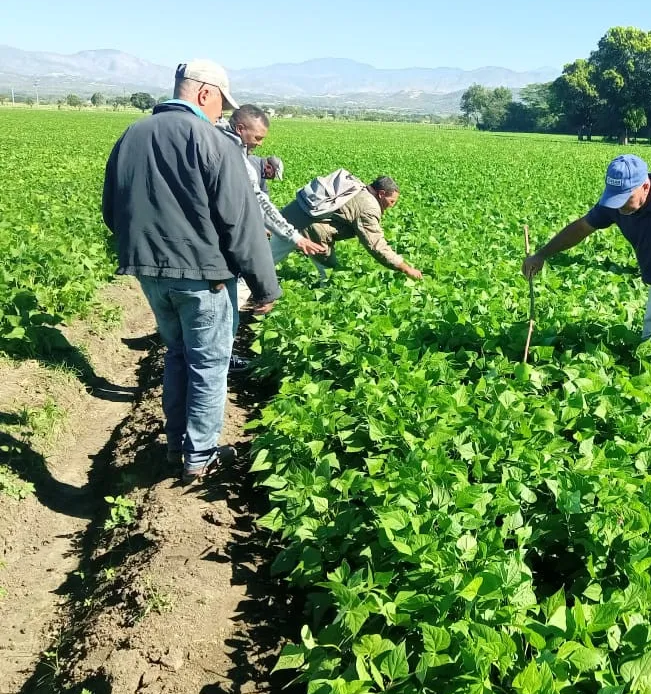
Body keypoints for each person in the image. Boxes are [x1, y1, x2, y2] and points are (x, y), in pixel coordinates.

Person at [101, 59, 281, 483]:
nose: (221, 114)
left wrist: (146, 252)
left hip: (149, 273)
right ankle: (199, 456)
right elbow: (241, 223)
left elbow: (113, 210)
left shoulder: (132, 134)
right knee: (209, 364)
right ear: (204, 94)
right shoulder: (212, 141)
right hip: (204, 276)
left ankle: (176, 444)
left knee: (178, 353)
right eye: (220, 104)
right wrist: (264, 287)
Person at [522, 154, 651, 365]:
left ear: (644, 186)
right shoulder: (615, 203)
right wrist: (542, 254)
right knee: (648, 354)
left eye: (625, 198)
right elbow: (582, 228)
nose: (619, 206)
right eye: (615, 198)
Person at [215, 105, 324, 371]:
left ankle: (208, 362)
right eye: (258, 137)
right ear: (240, 129)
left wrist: (295, 237)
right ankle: (218, 363)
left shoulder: (215, 142)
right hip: (213, 252)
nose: (259, 143)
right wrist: (293, 237)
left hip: (176, 249)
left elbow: (259, 202)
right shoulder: (231, 155)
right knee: (220, 315)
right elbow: (258, 204)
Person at [272, 172, 422, 281]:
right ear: (381, 194)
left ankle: (252, 280)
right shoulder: (369, 206)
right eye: (391, 201)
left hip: (297, 221)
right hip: (310, 231)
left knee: (265, 258)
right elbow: (376, 245)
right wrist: (405, 268)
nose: (392, 206)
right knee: (331, 275)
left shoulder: (358, 188)